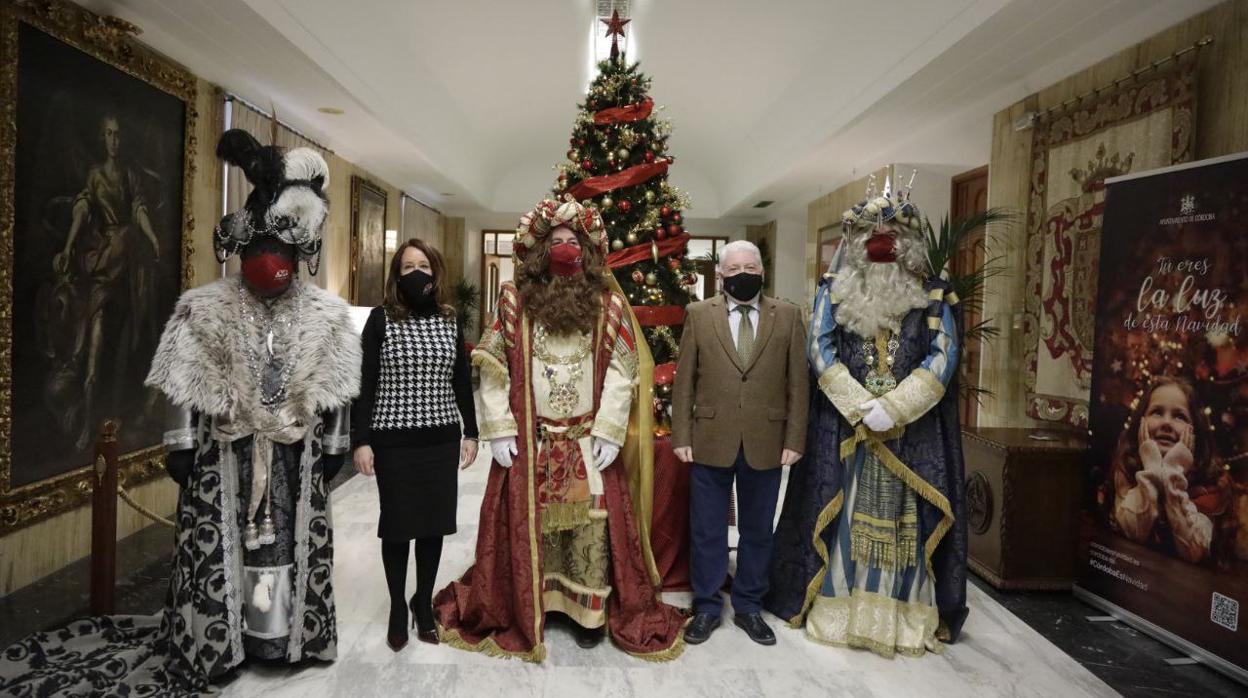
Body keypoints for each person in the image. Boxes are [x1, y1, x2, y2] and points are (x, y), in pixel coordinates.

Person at [0, 128, 359, 695]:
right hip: (224, 457)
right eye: (259, 250)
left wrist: (335, 449)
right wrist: (182, 444)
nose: (270, 262)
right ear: (241, 250)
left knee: (285, 547)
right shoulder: (204, 307)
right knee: (224, 551)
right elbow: (184, 383)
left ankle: (287, 638)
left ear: (298, 251)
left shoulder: (328, 315)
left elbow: (339, 389)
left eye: (281, 250)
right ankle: (223, 640)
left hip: (293, 459)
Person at [435, 196, 685, 661]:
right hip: (530, 442)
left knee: (591, 529)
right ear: (540, 251)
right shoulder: (513, 301)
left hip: (588, 443)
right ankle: (536, 604)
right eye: (557, 243)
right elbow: (491, 365)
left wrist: (610, 428)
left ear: (587, 253)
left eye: (574, 242)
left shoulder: (608, 307)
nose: (565, 249)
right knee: (532, 524)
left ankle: (586, 614)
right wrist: (500, 428)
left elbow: (623, 368)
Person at [766, 182, 969, 658]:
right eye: (871, 233)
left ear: (911, 239)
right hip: (845, 428)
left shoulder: (936, 294)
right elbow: (819, 348)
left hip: (912, 432)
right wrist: (861, 406)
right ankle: (837, 608)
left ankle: (899, 618)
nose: (882, 240)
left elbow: (946, 355)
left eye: (893, 230)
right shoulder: (833, 290)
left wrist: (895, 408)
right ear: (854, 243)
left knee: (909, 524)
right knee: (840, 515)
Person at [670, 239, 809, 646]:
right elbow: (684, 382)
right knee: (707, 530)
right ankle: (708, 606)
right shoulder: (698, 314)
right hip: (709, 438)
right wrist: (681, 434)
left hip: (767, 440)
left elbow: (798, 385)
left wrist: (794, 438)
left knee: (757, 530)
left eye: (750, 267)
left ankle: (749, 605)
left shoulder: (787, 316)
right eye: (733, 270)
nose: (742, 275)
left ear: (762, 272)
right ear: (721, 276)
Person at [351, 238, 479, 650]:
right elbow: (365, 383)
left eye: (423, 264)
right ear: (396, 275)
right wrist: (362, 440)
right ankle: (395, 606)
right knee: (399, 526)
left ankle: (422, 602)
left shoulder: (448, 317)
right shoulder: (380, 319)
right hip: (394, 441)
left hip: (440, 438)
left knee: (433, 526)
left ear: (435, 270)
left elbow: (461, 378)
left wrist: (471, 432)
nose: (416, 273)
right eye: (407, 267)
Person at [1110, 376, 1226, 564]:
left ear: (1196, 429)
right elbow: (1132, 530)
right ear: (1141, 422)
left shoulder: (1210, 486)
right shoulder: (1126, 469)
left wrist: (1174, 471)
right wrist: (1153, 469)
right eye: (1157, 412)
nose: (1167, 423)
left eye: (1179, 416)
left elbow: (1194, 550)